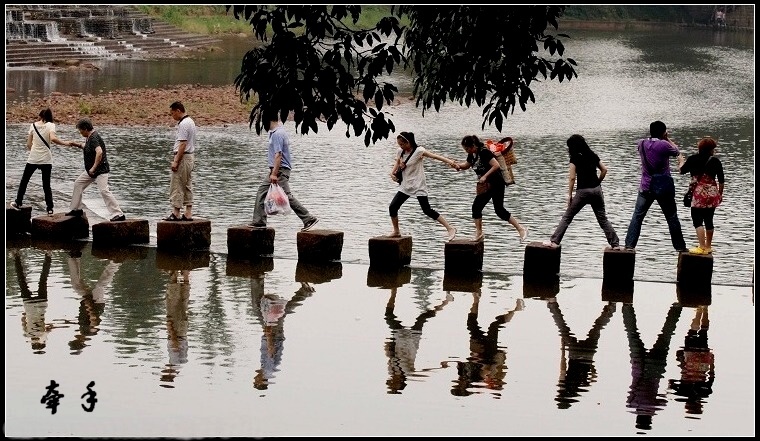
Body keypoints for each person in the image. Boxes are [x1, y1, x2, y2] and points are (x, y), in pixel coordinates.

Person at [543, 134, 620, 249]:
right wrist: (597, 183)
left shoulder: (574, 158)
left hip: (583, 192)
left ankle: (554, 242)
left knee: (567, 217)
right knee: (603, 219)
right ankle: (615, 244)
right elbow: (604, 170)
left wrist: (569, 195)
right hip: (597, 191)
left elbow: (572, 178)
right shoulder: (592, 155)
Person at [250, 109, 319, 231]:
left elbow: (278, 155)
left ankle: (308, 218)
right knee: (265, 192)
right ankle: (259, 221)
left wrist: (274, 174)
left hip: (279, 170)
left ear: (267, 119)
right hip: (278, 169)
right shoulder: (277, 132)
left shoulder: (277, 134)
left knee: (284, 196)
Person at [623, 120, 687, 252]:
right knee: (671, 217)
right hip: (663, 187)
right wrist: (667, 138)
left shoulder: (641, 143)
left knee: (637, 216)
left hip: (645, 186)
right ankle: (680, 248)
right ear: (663, 132)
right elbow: (676, 151)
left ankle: (629, 246)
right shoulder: (664, 144)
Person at [452, 135, 528, 242]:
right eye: (465, 149)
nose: (466, 151)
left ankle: (521, 229)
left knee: (499, 211)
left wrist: (485, 176)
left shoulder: (484, 152)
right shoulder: (472, 154)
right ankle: (479, 233)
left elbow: (496, 165)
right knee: (476, 207)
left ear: (473, 145)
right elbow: (467, 165)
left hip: (496, 183)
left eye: (467, 149)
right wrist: (458, 166)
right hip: (486, 186)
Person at [387, 131, 458, 241]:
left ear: (409, 142)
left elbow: (435, 156)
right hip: (406, 185)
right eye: (399, 144)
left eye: (403, 144)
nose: (401, 146)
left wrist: (450, 162)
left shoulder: (419, 151)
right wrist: (392, 173)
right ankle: (396, 231)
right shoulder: (400, 151)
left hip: (418, 184)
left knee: (427, 210)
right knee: (393, 207)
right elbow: (397, 162)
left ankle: (450, 228)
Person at [10, 108, 71, 215]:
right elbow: (52, 138)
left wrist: (34, 149)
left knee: (24, 181)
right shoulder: (51, 125)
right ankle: (50, 208)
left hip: (33, 158)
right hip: (46, 159)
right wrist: (65, 143)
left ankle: (18, 202)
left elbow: (28, 145)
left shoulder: (33, 125)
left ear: (40, 116)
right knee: (46, 185)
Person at [64, 118, 126, 222]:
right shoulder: (90, 137)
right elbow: (88, 147)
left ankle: (119, 214)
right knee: (78, 183)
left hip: (100, 171)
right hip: (91, 171)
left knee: (104, 191)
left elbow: (99, 152)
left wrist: (93, 168)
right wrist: (77, 144)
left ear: (86, 129)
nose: (80, 133)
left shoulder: (94, 138)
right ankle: (76, 209)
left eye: (81, 130)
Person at [678, 137, 725, 255]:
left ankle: (701, 247)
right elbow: (721, 180)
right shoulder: (715, 161)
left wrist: (681, 161)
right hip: (712, 192)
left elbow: (682, 171)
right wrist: (720, 194)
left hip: (698, 193)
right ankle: (708, 246)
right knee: (709, 220)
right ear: (711, 150)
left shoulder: (693, 159)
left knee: (697, 220)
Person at [165, 101, 197, 221]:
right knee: (187, 184)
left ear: (178, 111)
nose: (172, 116)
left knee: (177, 183)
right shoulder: (191, 121)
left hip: (183, 157)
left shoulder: (184, 124)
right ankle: (188, 212)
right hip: (190, 157)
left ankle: (176, 212)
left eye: (173, 113)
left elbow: (182, 144)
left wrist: (176, 161)